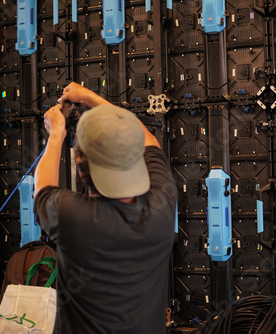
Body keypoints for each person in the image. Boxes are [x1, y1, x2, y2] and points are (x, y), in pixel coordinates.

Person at [33, 82, 177, 333]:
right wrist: (89, 97)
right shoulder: (162, 202)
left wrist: (56, 133)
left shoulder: (72, 217)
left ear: (79, 164)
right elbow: (147, 139)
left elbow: (42, 189)